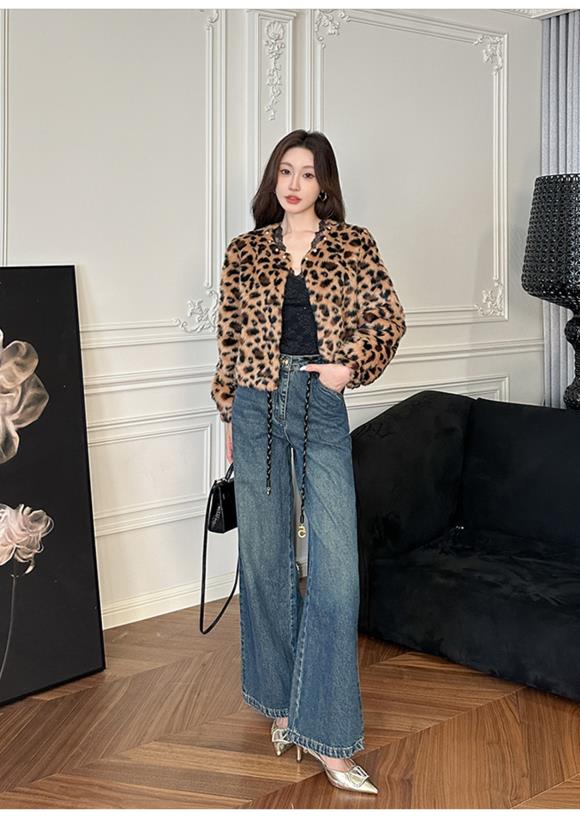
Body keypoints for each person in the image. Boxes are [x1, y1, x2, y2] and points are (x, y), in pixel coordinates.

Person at [210, 129, 406, 795]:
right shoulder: (245, 251)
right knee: (264, 559)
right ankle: (283, 707)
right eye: (286, 171)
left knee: (337, 570)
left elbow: (388, 318)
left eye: (308, 173)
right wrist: (229, 412)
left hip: (319, 402)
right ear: (275, 179)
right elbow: (230, 338)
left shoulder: (353, 243)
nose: (295, 184)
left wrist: (349, 368)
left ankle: (329, 735)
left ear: (325, 184)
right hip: (254, 406)